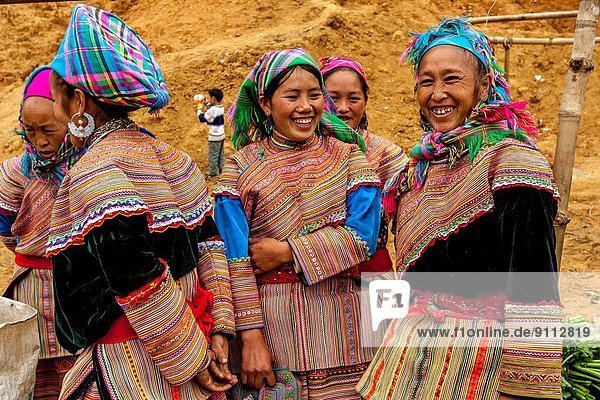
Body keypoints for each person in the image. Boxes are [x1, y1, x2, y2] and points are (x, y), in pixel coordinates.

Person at [356, 18, 561, 400]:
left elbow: (535, 282)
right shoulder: (418, 169)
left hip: (483, 363)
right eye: (427, 81)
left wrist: (524, 387)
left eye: (452, 79)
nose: (438, 93)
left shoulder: (512, 162)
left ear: (483, 86)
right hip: (411, 359)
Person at [45, 5, 236, 399]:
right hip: (190, 341)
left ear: (78, 100)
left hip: (135, 363)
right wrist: (219, 330)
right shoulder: (176, 159)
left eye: (55, 97)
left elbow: (138, 276)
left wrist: (192, 361)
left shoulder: (95, 171)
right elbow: (212, 246)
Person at [213, 48, 381, 399]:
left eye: (314, 95)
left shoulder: (349, 156)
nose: (306, 107)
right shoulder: (239, 168)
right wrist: (251, 336)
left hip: (344, 329)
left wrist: (286, 251)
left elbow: (364, 238)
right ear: (265, 103)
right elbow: (234, 258)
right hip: (273, 334)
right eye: (292, 96)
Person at [0, 66, 84, 399]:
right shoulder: (13, 173)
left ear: (73, 119)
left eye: (48, 129)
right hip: (31, 296)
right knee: (34, 378)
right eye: (29, 131)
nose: (39, 141)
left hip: (82, 293)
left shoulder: (91, 166)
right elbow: (7, 234)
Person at [320, 56, 408, 272]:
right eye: (333, 98)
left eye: (353, 98)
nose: (342, 108)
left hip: (373, 270)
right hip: (316, 273)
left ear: (365, 101)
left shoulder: (385, 153)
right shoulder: (303, 152)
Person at [198, 88, 226, 177]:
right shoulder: (220, 107)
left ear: (213, 98)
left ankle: (213, 172)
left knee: (213, 155)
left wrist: (199, 109)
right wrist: (206, 103)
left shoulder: (213, 110)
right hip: (221, 135)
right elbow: (211, 107)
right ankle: (222, 169)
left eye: (210, 98)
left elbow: (203, 118)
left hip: (214, 136)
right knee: (220, 154)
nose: (209, 100)